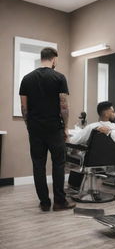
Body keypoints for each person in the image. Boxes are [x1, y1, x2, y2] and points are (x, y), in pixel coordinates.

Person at [19, 47, 75, 212]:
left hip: (35, 129)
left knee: (38, 165)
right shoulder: (59, 77)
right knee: (58, 164)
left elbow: (24, 107)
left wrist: (29, 126)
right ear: (54, 59)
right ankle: (59, 202)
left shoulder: (26, 79)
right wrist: (65, 127)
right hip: (54, 128)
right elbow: (64, 106)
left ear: (41, 57)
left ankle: (44, 202)